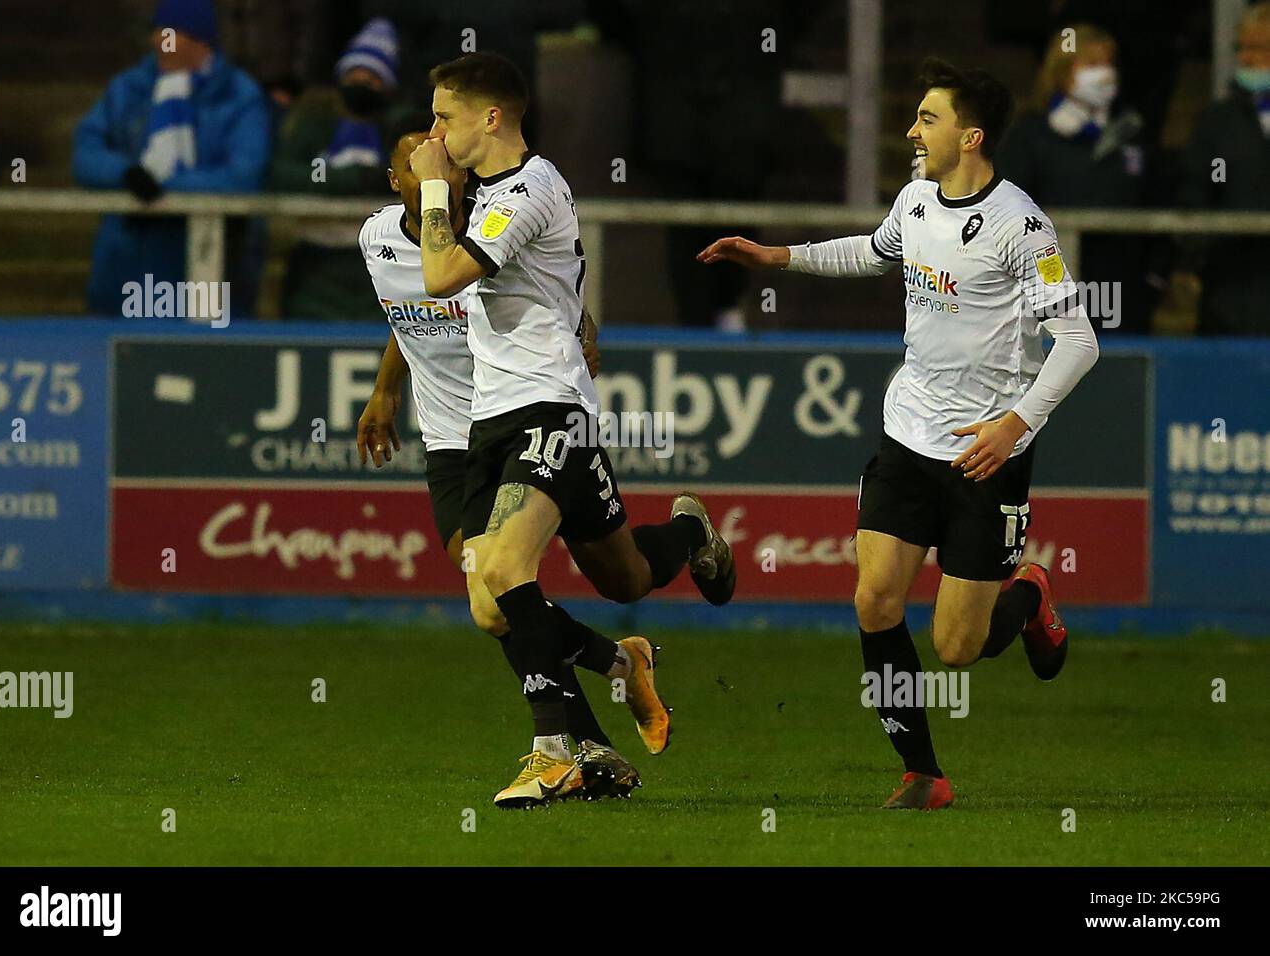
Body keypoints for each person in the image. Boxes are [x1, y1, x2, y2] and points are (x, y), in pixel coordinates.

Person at [698, 57, 1100, 810]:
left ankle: (1033, 595)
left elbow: (1078, 342)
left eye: (928, 119)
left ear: (971, 136)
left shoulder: (1023, 226)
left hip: (986, 456)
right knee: (875, 601)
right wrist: (777, 255)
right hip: (907, 435)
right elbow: (875, 250)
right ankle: (923, 773)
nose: (912, 130)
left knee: (958, 647)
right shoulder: (916, 199)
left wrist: (1015, 425)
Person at [409, 52, 737, 807]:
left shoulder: (531, 185)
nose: (435, 132)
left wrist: (432, 186)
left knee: (504, 570)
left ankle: (553, 748)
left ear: (490, 118)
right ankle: (687, 544)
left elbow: (439, 278)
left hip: (548, 408)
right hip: (494, 416)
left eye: (445, 117)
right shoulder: (491, 193)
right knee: (608, 579)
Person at [355, 131, 640, 798]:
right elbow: (409, 311)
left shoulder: (487, 226)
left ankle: (584, 728)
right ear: (395, 181)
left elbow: (544, 285)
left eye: (447, 160)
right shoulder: (376, 240)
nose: (439, 165)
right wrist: (385, 387)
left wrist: (583, 325)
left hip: (514, 422)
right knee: (493, 602)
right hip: (451, 438)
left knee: (578, 582)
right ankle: (599, 715)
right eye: (419, 161)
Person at [72, 0, 270, 317]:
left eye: (169, 33)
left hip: (211, 264)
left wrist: (166, 188)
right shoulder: (127, 89)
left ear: (199, 40)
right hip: (127, 266)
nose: (157, 42)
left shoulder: (238, 96)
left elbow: (243, 174)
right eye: (156, 32)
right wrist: (126, 174)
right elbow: (86, 152)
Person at [996, 23, 1153, 333]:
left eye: (1108, 64)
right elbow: (1006, 207)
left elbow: (1152, 200)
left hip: (1120, 288)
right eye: (1092, 65)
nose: (1104, 74)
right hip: (1047, 288)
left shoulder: (1130, 134)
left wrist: (1154, 275)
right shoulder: (1030, 135)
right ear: (1062, 70)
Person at [271, 18, 429, 321]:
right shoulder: (314, 119)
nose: (361, 86)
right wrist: (353, 179)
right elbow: (281, 174)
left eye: (372, 79)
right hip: (316, 262)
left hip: (385, 261)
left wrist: (385, 179)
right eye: (354, 76)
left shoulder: (398, 130)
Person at [1171, 1, 1270, 336]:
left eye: (1257, 49)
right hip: (1234, 291)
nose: (1245, 58)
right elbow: (1197, 192)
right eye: (1241, 48)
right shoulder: (1218, 122)